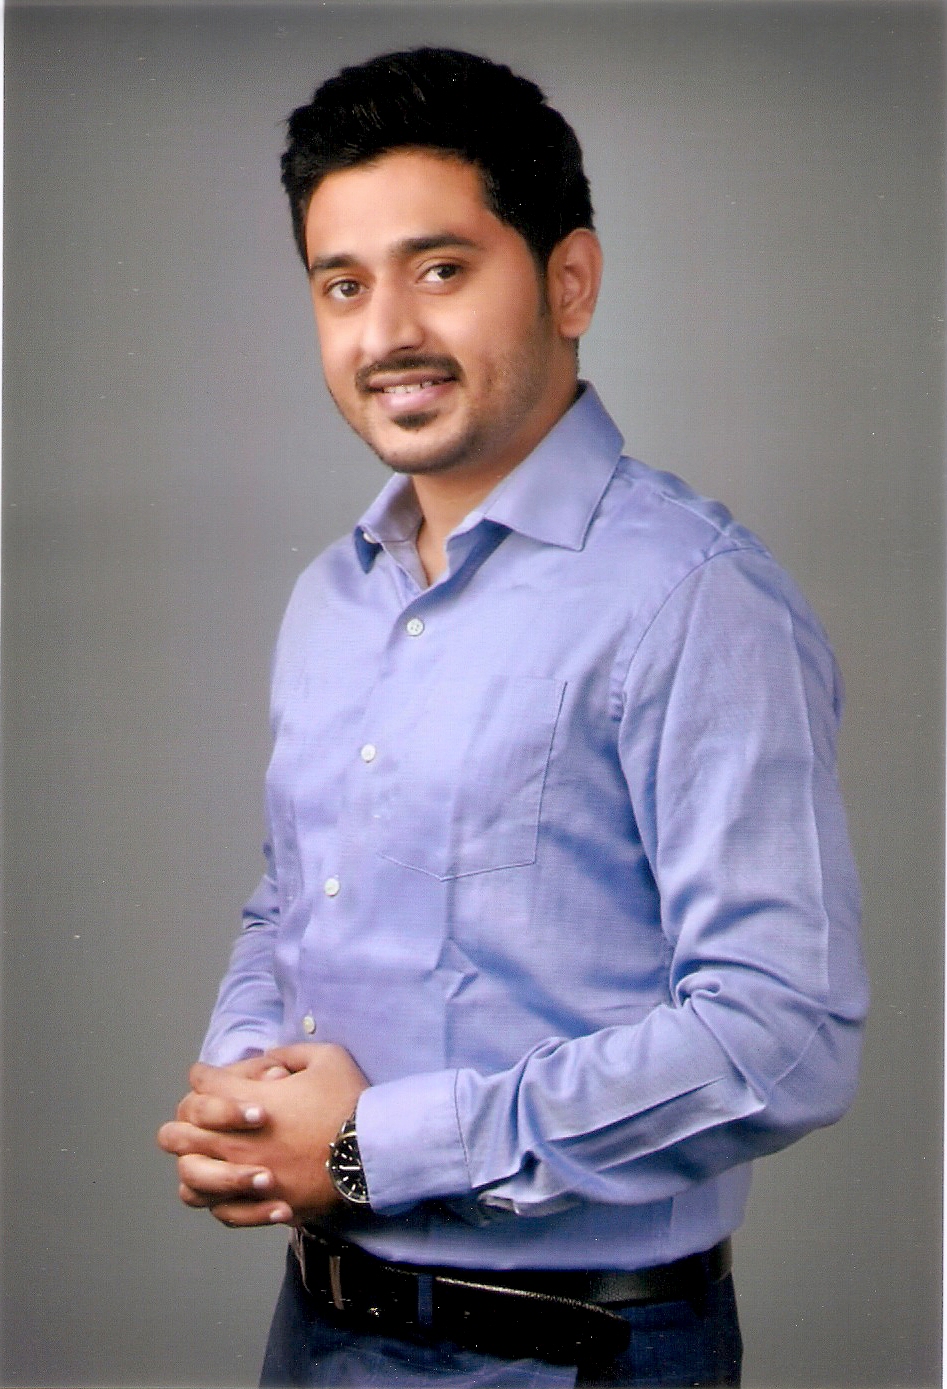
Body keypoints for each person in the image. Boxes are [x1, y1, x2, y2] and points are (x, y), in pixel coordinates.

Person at [157, 47, 869, 1388]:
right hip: (315, 1333)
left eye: (440, 269)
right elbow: (290, 897)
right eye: (342, 285)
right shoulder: (330, 600)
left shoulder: (693, 598)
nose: (386, 333)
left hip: (573, 1353)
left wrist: (370, 1148)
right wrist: (245, 1086)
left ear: (570, 280)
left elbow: (784, 1035)